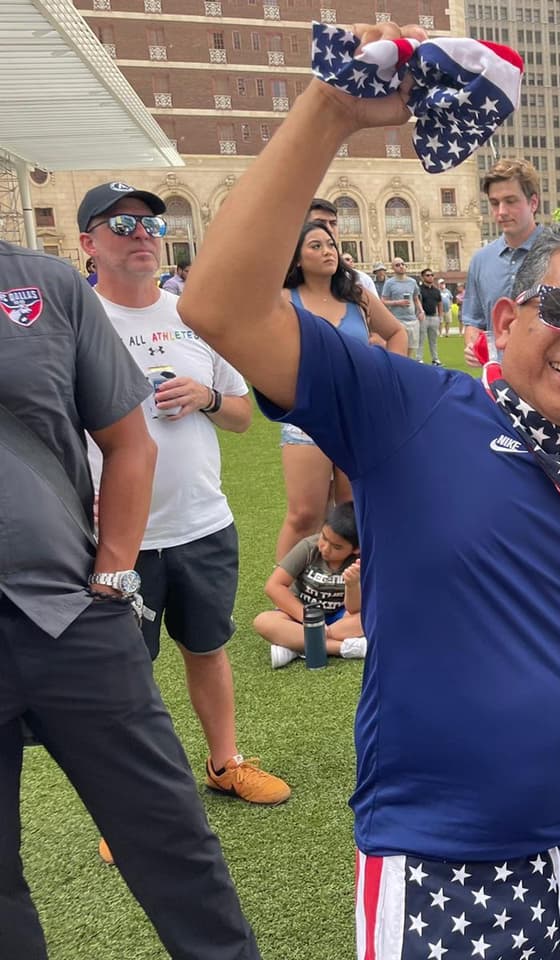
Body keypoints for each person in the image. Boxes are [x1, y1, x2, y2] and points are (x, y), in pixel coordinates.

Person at [178, 24, 560, 955]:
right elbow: (220, 307)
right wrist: (331, 114)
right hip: (435, 854)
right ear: (509, 317)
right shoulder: (411, 405)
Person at [0, 235, 261, 958]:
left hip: (70, 606)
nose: (137, 235)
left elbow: (128, 439)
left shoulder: (43, 282)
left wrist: (113, 570)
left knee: (170, 838)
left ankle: (226, 758)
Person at [77, 181, 292, 831]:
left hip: (202, 523)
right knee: (122, 677)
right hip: (115, 535)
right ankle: (128, 807)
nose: (142, 235)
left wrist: (204, 396)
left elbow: (240, 416)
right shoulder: (77, 321)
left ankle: (225, 763)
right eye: (122, 226)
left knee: (207, 649)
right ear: (88, 244)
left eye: (151, 225)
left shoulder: (192, 314)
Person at [274, 220, 407, 561]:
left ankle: (349, 594)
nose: (327, 251)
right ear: (298, 259)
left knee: (351, 513)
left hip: (357, 417)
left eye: (330, 244)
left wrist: (387, 380)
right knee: (305, 514)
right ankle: (287, 592)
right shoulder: (284, 300)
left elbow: (396, 334)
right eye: (315, 246)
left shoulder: (357, 295)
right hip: (308, 418)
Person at [253, 502, 365, 668]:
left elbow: (355, 609)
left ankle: (295, 646)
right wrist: (307, 619)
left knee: (369, 619)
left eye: (336, 547)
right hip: (300, 615)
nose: (325, 548)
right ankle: (341, 648)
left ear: (355, 549)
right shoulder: (309, 547)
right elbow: (274, 586)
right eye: (324, 537)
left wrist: (352, 585)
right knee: (263, 621)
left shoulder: (358, 562)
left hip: (339, 618)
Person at [462, 158, 542, 365]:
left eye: (511, 201)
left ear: (533, 203)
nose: (501, 212)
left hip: (548, 384)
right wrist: (473, 346)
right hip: (497, 384)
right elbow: (474, 321)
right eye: (495, 203)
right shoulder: (481, 260)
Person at [311, 198, 378, 299]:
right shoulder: (285, 290)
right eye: (320, 223)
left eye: (333, 223)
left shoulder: (359, 282)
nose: (329, 228)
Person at [380, 257, 424, 361]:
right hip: (397, 320)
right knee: (399, 350)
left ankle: (407, 370)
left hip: (412, 320)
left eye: (402, 264)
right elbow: (383, 301)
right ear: (393, 268)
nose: (401, 267)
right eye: (397, 265)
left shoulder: (412, 282)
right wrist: (397, 302)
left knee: (410, 349)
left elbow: (416, 299)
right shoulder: (390, 283)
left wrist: (421, 311)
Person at [418, 268, 444, 360]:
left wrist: (440, 317)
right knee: (421, 339)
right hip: (423, 318)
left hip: (434, 317)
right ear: (423, 277)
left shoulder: (436, 291)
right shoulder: (419, 290)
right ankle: (419, 358)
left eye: (432, 275)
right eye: (428, 275)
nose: (430, 277)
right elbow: (417, 302)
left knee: (433, 340)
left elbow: (440, 303)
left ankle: (435, 359)